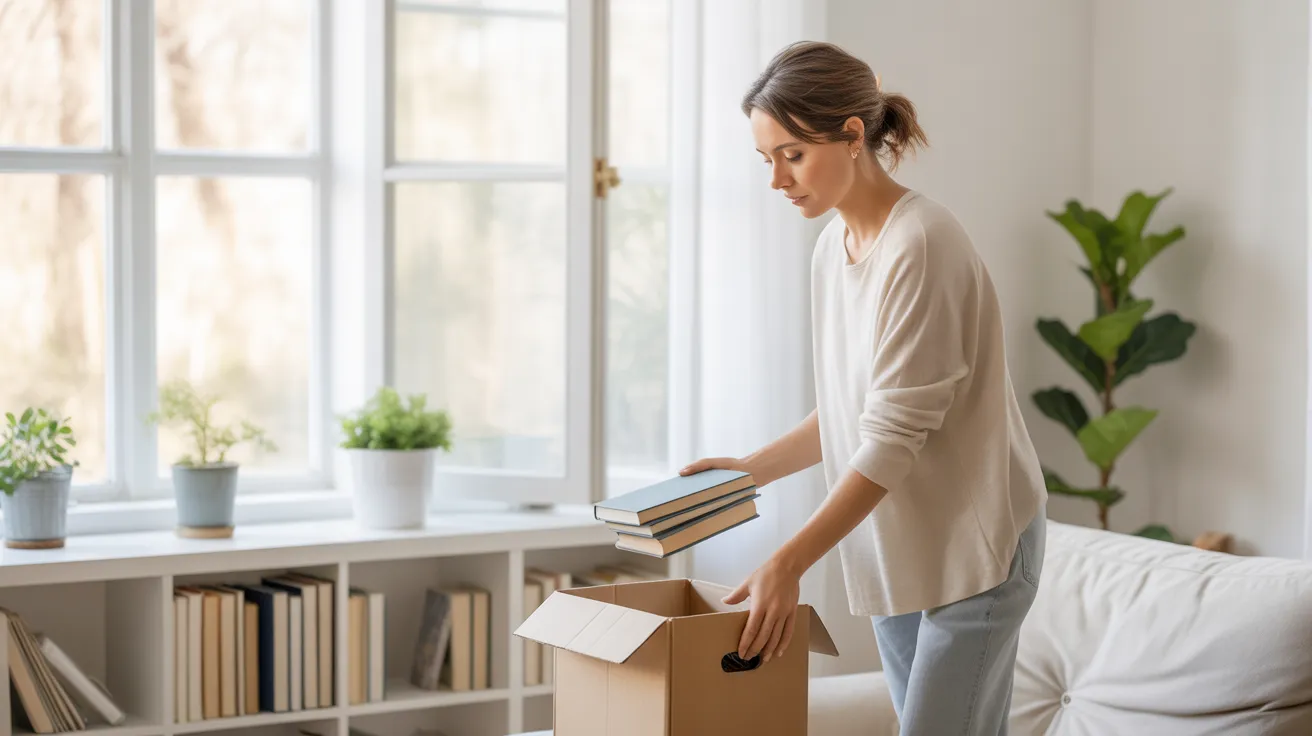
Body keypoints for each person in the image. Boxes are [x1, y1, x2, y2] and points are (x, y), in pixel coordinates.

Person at [679, 41, 1048, 734]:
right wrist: (750, 470)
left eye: (792, 154)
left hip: (976, 543)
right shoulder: (834, 247)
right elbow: (854, 410)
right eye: (767, 160)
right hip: (901, 544)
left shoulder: (922, 243)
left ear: (853, 135)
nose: (778, 181)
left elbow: (891, 437)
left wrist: (788, 562)